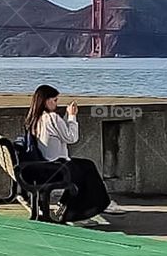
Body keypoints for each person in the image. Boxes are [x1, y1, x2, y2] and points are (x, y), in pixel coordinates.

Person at [20, 84, 123, 226]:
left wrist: (67, 117)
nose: (56, 104)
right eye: (54, 100)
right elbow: (71, 137)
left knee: (86, 166)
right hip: (55, 167)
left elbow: (59, 133)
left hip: (44, 166)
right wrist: (73, 116)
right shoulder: (51, 118)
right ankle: (83, 211)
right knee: (87, 170)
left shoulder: (35, 119)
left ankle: (74, 206)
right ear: (46, 101)